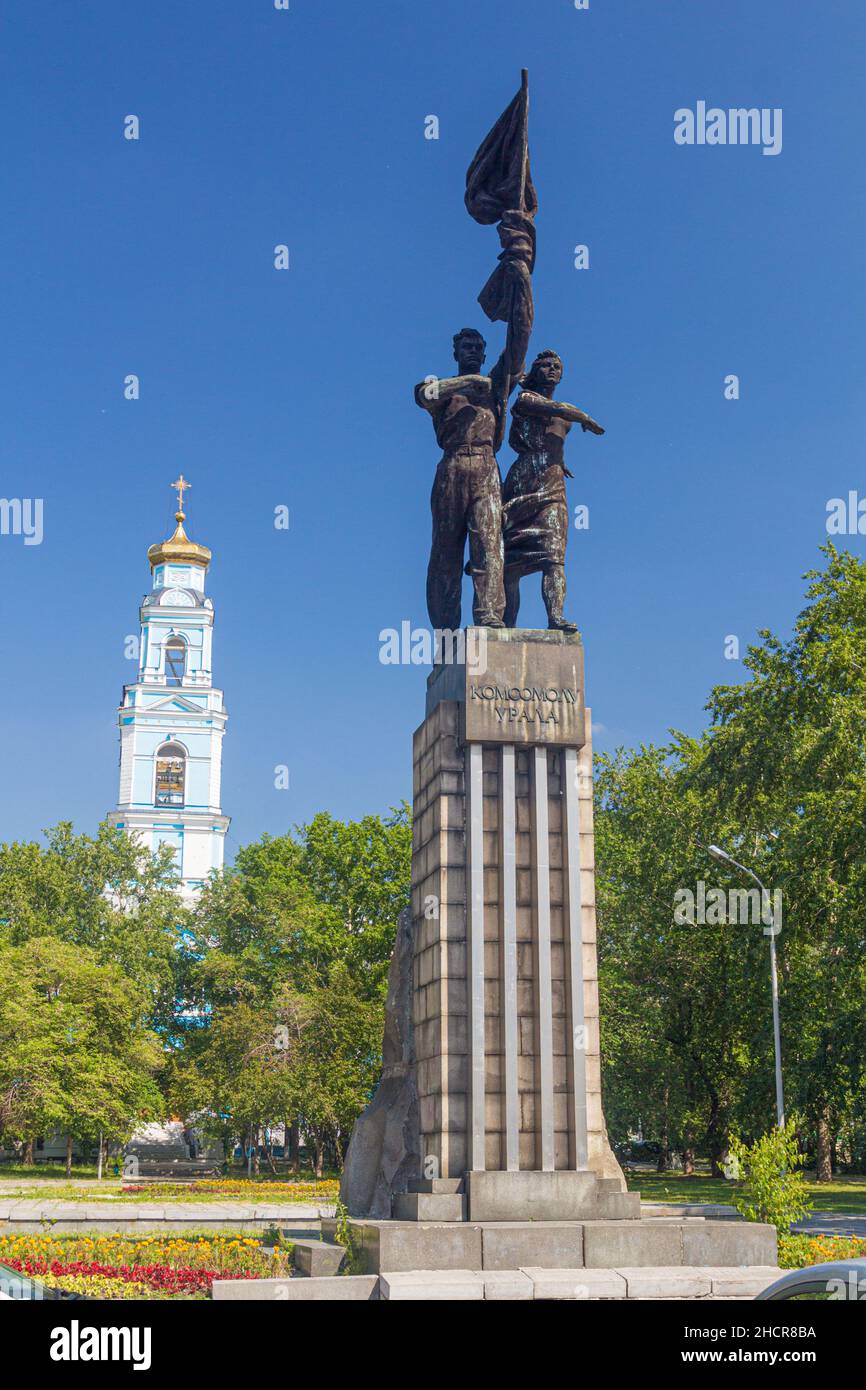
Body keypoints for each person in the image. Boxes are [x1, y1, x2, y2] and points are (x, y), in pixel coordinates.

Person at [501, 350, 604, 630]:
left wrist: (560, 462)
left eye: (557, 366)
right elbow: (556, 411)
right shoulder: (527, 399)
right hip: (525, 479)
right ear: (534, 372)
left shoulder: (564, 417)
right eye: (545, 365)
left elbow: (553, 438)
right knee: (510, 561)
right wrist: (584, 416)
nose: (552, 369)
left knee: (554, 555)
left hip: (553, 482)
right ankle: (506, 623)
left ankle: (555, 617)